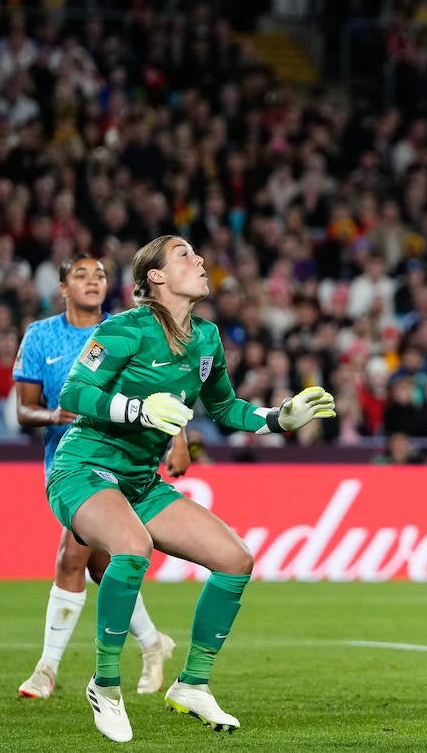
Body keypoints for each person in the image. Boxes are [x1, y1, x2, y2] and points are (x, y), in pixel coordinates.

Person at [48, 236, 336, 742]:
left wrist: (279, 418)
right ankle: (106, 684)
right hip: (83, 470)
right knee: (132, 548)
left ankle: (193, 684)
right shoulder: (123, 329)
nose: (199, 260)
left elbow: (226, 409)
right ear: (155, 277)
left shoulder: (206, 338)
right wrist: (137, 410)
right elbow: (73, 392)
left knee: (235, 558)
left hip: (140, 481)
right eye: (184, 255)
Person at [15, 254, 185, 701]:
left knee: (71, 557)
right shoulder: (40, 336)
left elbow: (162, 387)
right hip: (65, 462)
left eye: (101, 275)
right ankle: (152, 643)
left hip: (119, 460)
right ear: (63, 287)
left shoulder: (128, 329)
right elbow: (22, 409)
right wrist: (55, 414)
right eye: (81, 275)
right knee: (99, 563)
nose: (93, 281)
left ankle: (46, 669)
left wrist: (179, 437)